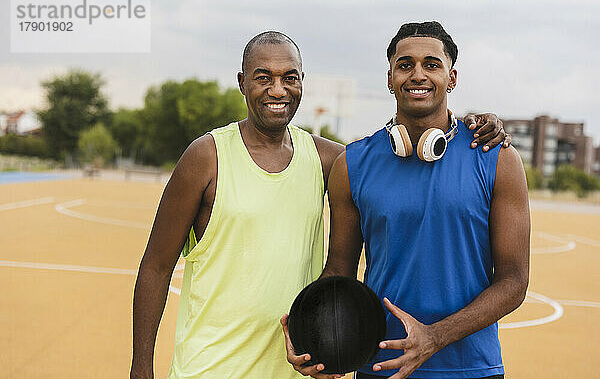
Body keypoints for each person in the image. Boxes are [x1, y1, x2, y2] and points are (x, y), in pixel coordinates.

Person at [130, 30, 510, 379]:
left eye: (289, 78)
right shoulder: (210, 156)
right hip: (211, 366)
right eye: (263, 78)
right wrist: (141, 369)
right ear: (242, 83)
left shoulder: (329, 158)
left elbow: (387, 159)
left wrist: (482, 122)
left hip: (298, 371)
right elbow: (157, 265)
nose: (277, 90)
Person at [282, 22, 530, 379]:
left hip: (471, 367)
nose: (418, 74)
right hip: (380, 364)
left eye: (432, 64)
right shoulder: (352, 164)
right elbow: (339, 270)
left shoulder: (496, 157)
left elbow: (514, 281)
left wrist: (434, 337)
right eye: (405, 64)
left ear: (452, 77)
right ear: (389, 78)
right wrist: (312, 337)